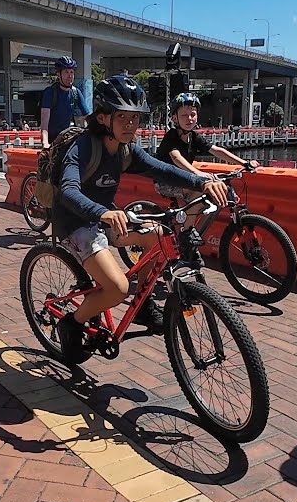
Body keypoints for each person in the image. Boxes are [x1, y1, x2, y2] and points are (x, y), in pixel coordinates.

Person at [51, 75, 228, 360]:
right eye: (123, 118)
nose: (131, 126)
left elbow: (161, 169)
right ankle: (71, 323)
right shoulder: (83, 148)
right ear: (103, 117)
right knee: (118, 288)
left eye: (136, 119)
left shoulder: (125, 149)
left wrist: (202, 182)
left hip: (109, 218)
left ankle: (143, 306)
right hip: (76, 222)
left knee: (159, 235)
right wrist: (103, 212)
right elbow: (69, 191)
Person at [155, 92, 259, 230]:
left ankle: (192, 226)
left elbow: (216, 150)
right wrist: (197, 173)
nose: (189, 119)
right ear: (175, 118)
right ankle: (186, 231)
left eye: (193, 114)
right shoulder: (171, 137)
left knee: (219, 190)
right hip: (166, 181)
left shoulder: (194, 137)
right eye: (184, 116)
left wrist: (244, 163)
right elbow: (176, 157)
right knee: (201, 190)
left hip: (184, 178)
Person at [40, 56, 88, 151]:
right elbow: (44, 122)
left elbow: (89, 116)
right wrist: (45, 142)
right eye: (66, 72)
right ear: (58, 74)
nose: (70, 76)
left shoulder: (76, 92)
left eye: (72, 72)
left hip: (68, 138)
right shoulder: (50, 93)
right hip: (52, 141)